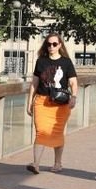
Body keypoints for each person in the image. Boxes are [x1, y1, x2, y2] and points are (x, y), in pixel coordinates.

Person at [25, 33, 78, 174]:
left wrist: (74, 97)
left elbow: (73, 82)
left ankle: (58, 163)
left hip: (60, 104)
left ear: (60, 45)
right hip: (42, 101)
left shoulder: (66, 62)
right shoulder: (41, 61)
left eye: (54, 44)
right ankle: (36, 163)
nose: (51, 47)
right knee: (41, 131)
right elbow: (34, 83)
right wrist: (29, 101)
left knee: (57, 132)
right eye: (48, 44)